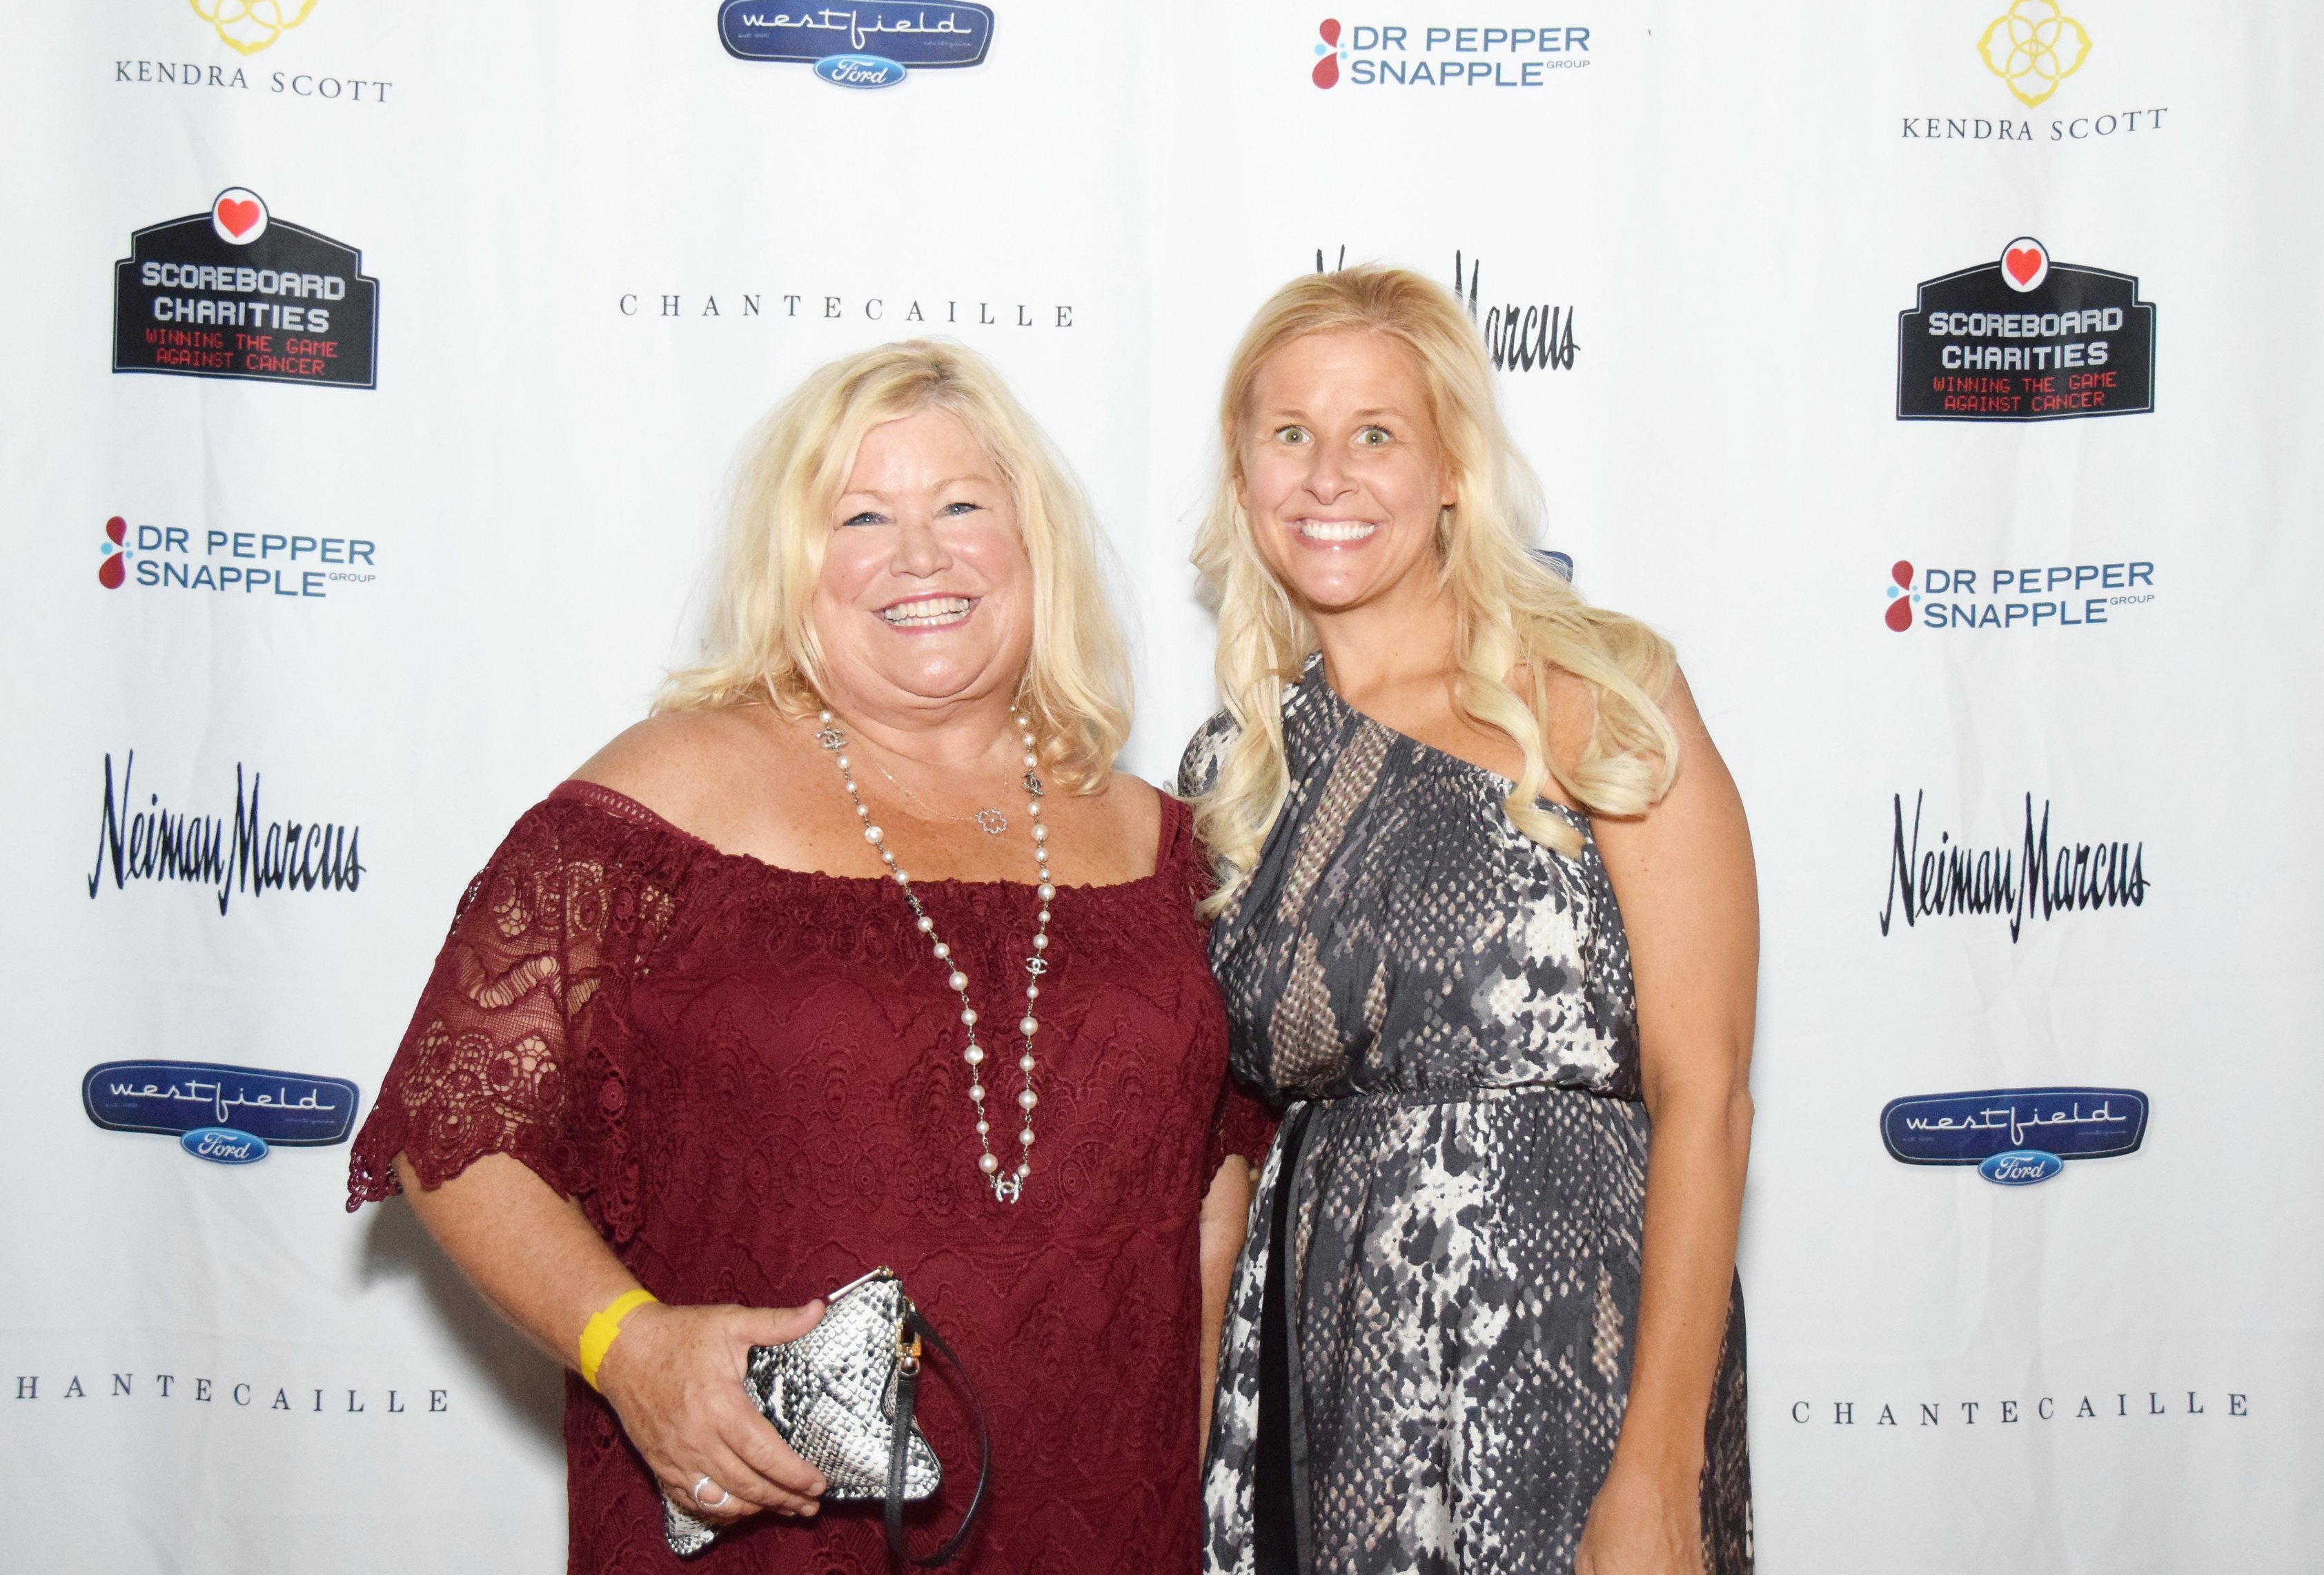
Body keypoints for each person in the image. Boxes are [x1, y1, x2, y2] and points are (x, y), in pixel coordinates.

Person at [348, 340, 1270, 1574]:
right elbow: (452, 1125)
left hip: (1107, 1532)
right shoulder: (668, 798)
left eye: (962, 506)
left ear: (1032, 542)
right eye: (862, 516)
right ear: (795, 562)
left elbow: (1208, 1197)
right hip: (771, 1525)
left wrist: (1188, 1502)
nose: (921, 555)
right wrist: (628, 1346)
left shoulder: (1164, 842)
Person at [1181, 267, 1756, 1575]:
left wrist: (1659, 1466)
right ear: (1245, 476)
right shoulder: (1233, 771)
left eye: (1376, 433)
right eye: (1291, 435)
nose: (1329, 476)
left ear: (1451, 470)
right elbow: (1221, 1142)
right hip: (1326, 1372)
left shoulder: (1597, 693)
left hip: (1574, 1358)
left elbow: (1709, 1091)